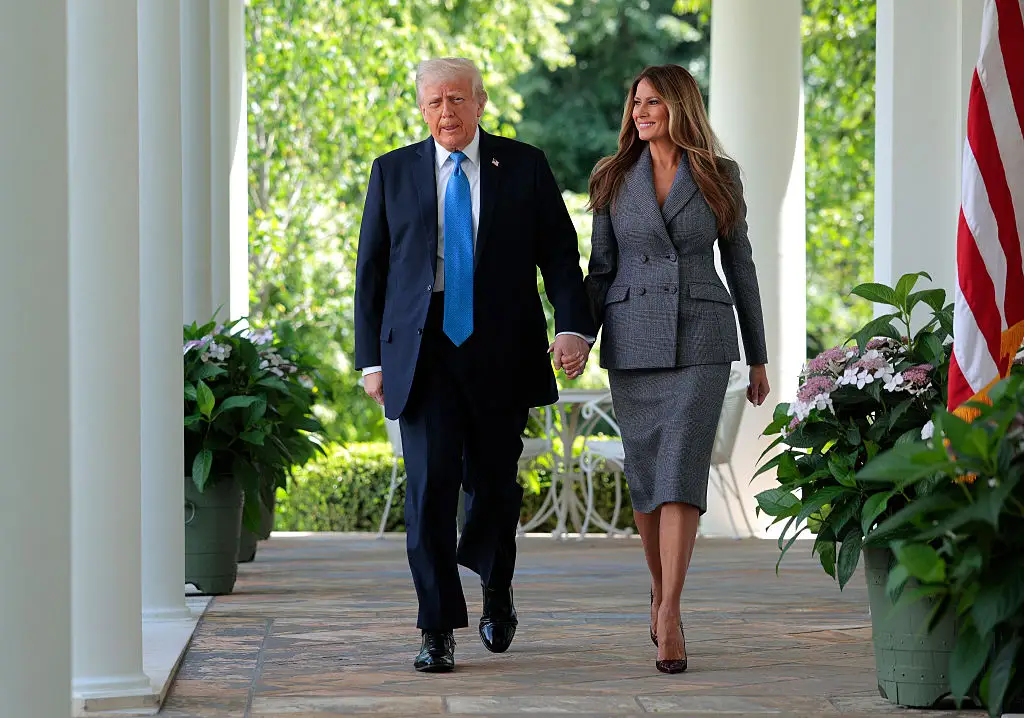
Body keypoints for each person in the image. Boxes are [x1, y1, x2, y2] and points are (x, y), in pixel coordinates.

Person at [354, 57, 594, 673]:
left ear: (481, 102)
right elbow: (371, 274)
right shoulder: (392, 172)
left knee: (492, 485)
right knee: (429, 489)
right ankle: (436, 627)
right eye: (434, 102)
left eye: (456, 100)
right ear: (421, 109)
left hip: (500, 348)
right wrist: (369, 361)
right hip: (421, 349)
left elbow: (561, 257)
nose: (446, 113)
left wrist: (572, 327)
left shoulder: (524, 165)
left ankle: (496, 586)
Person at [584, 65, 770, 674]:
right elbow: (601, 269)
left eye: (653, 101)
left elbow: (740, 265)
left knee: (681, 466)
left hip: (702, 336)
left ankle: (669, 613)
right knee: (645, 475)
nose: (640, 111)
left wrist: (759, 353)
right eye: (635, 101)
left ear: (681, 106)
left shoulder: (719, 175)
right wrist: (579, 335)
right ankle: (662, 596)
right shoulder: (612, 178)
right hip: (632, 336)